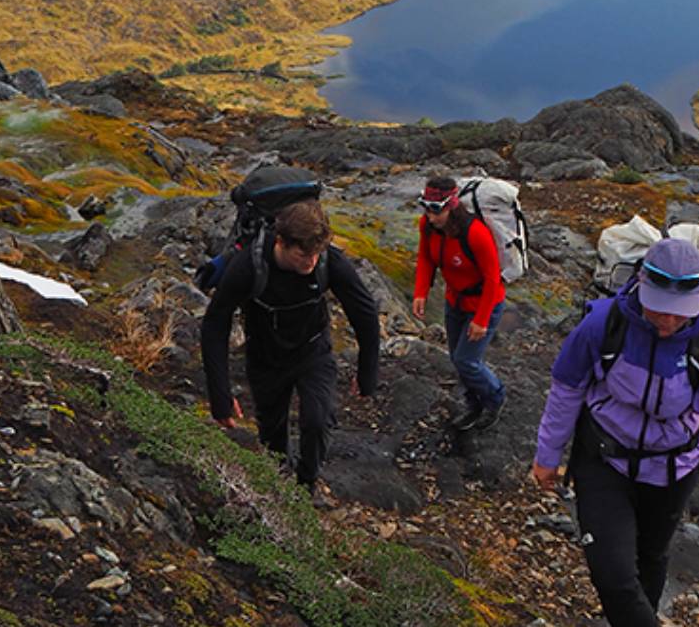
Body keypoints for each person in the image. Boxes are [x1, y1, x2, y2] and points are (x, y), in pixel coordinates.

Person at [530, 236, 699, 627]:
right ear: (639, 286)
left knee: (650, 559)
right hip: (603, 460)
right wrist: (547, 454)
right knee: (612, 570)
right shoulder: (603, 324)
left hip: (673, 472)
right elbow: (566, 387)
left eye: (678, 311)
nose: (667, 320)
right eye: (658, 308)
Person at [200, 198, 380, 490]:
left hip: (313, 351)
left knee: (318, 420)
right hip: (265, 357)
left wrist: (367, 372)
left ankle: (307, 482)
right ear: (280, 242)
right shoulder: (250, 266)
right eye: (302, 254)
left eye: (315, 253)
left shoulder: (327, 261)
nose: (310, 261)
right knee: (272, 433)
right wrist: (220, 395)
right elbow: (214, 324)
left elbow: (365, 312)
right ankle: (280, 482)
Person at [412, 175, 506, 432]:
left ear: (451, 205)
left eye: (436, 210)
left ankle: (495, 398)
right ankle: (472, 404)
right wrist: (421, 292)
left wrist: (482, 320)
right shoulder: (428, 226)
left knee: (467, 360)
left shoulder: (475, 233)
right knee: (457, 358)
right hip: (454, 301)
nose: (431, 216)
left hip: (483, 302)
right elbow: (426, 258)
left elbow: (492, 280)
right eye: (427, 209)